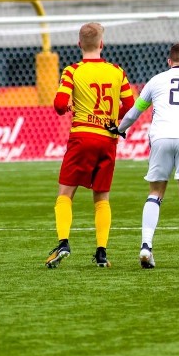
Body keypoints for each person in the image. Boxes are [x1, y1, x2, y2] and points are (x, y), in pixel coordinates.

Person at [44, 22, 135, 269]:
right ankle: (102, 253)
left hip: (82, 136)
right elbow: (130, 106)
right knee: (102, 198)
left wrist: (73, 105)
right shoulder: (117, 71)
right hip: (108, 139)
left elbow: (59, 104)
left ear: (79, 44)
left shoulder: (73, 70)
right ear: (102, 44)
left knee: (65, 194)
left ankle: (63, 242)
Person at [113, 43, 179, 269]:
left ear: (168, 61)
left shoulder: (155, 81)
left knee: (155, 193)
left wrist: (120, 129)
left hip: (160, 137)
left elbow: (134, 112)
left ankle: (146, 246)